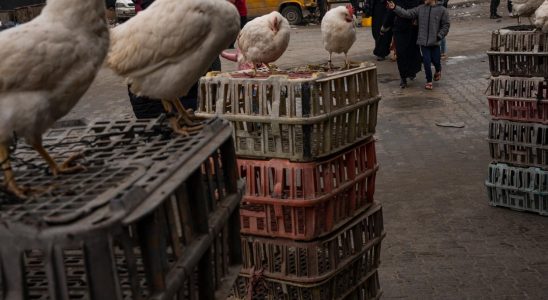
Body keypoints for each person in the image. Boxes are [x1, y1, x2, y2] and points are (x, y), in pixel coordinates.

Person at [387, 0, 450, 90]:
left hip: (435, 42)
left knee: (436, 61)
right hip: (423, 42)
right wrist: (395, 7)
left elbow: (446, 25)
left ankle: (438, 69)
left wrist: (439, 36)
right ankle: (429, 81)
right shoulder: (420, 9)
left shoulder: (442, 10)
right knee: (427, 62)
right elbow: (407, 14)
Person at [383, 0, 423, 88]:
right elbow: (391, 10)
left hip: (413, 28)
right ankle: (403, 77)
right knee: (401, 53)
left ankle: (412, 72)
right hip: (400, 28)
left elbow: (421, 7)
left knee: (412, 51)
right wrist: (385, 25)